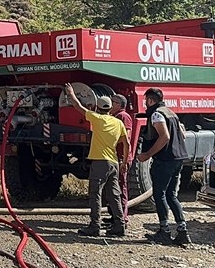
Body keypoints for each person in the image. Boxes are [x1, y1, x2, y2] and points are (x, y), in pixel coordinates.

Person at [64, 84, 128, 237]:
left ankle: (95, 226)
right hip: (114, 162)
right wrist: (124, 162)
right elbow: (127, 143)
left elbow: (78, 106)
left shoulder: (97, 119)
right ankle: (119, 225)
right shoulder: (118, 123)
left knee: (96, 194)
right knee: (113, 195)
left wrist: (71, 93)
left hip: (100, 162)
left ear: (98, 108)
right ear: (110, 107)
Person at [137, 87, 189, 247]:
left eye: (146, 100)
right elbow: (183, 134)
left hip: (165, 160)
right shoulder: (171, 112)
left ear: (151, 100)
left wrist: (148, 154)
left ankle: (164, 231)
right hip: (178, 158)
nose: (145, 104)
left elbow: (164, 136)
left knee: (160, 195)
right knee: (172, 195)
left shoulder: (157, 114)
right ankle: (182, 231)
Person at [105, 93, 133, 230]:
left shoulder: (123, 117)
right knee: (113, 188)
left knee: (121, 188)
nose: (110, 103)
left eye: (113, 101)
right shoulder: (115, 117)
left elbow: (126, 137)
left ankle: (122, 218)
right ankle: (114, 216)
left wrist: (124, 160)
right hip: (116, 157)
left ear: (118, 104)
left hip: (121, 157)